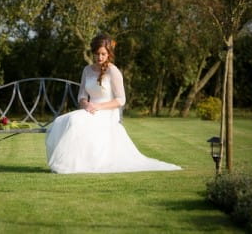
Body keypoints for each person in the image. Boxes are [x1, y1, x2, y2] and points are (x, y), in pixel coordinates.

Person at [45, 34, 181, 174]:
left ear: (109, 54)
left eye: (103, 54)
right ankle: (67, 163)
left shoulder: (113, 71)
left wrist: (98, 107)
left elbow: (121, 99)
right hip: (90, 110)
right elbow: (82, 95)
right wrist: (86, 104)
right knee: (62, 120)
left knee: (75, 121)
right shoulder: (87, 70)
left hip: (107, 112)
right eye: (97, 54)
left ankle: (74, 164)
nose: (100, 57)